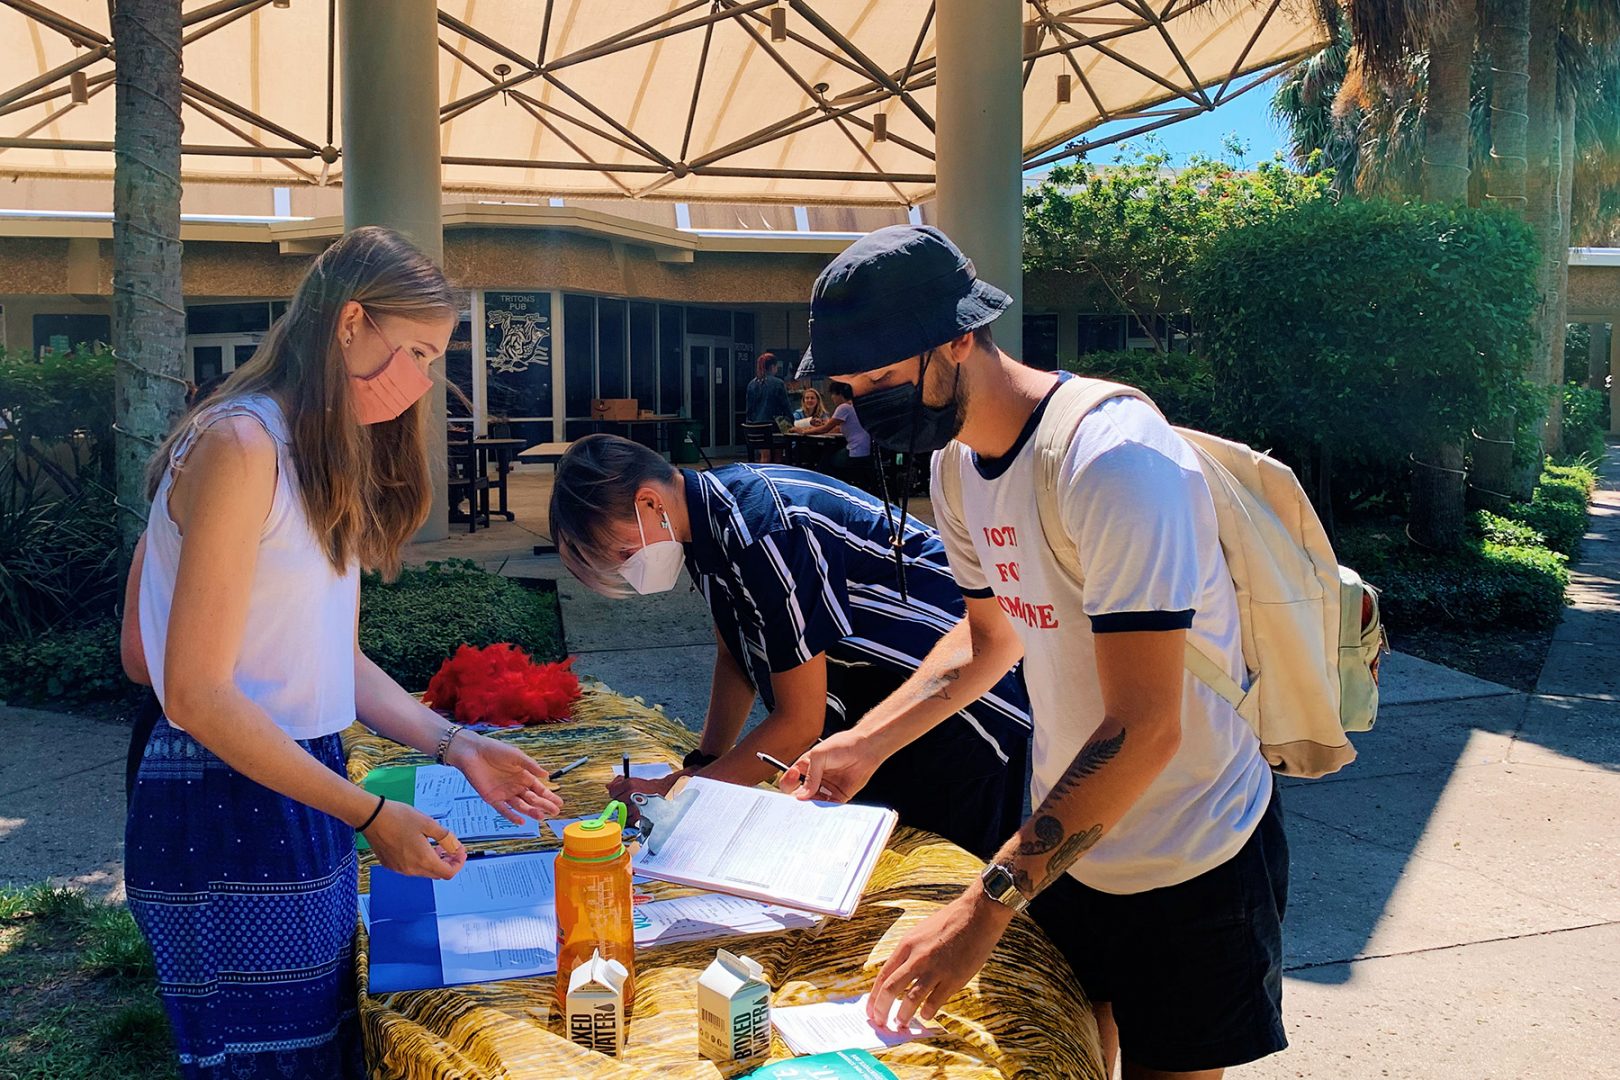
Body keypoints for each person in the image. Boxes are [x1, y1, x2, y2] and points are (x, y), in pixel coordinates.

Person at [783, 224, 1285, 1080]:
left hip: (1191, 848)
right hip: (1071, 846)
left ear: (960, 337)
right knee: (1071, 1060)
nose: (861, 402)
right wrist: (867, 741)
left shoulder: (1111, 459)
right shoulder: (956, 471)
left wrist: (984, 907)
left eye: (881, 375)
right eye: (847, 384)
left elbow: (1147, 726)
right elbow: (989, 640)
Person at [120, 226, 565, 1079]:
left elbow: (332, 658)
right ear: (351, 322)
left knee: (317, 1047)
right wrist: (369, 814)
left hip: (294, 779)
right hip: (225, 797)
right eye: (419, 352)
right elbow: (196, 693)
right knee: (263, 1061)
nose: (427, 380)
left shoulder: (306, 449)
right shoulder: (241, 445)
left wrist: (457, 743)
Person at [547, 434, 1030, 859]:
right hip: (884, 707)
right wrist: (702, 764)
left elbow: (798, 724)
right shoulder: (705, 524)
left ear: (650, 503)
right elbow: (736, 657)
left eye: (624, 553)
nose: (630, 567)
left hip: (957, 709)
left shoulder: (760, 530)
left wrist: (678, 797)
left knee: (943, 878)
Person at [804, 381, 875, 490]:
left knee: (826, 461)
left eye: (833, 394)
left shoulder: (844, 407)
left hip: (855, 452)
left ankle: (827, 486)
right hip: (866, 449)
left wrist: (804, 431)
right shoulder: (855, 406)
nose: (832, 398)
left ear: (840, 395)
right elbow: (837, 427)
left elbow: (825, 428)